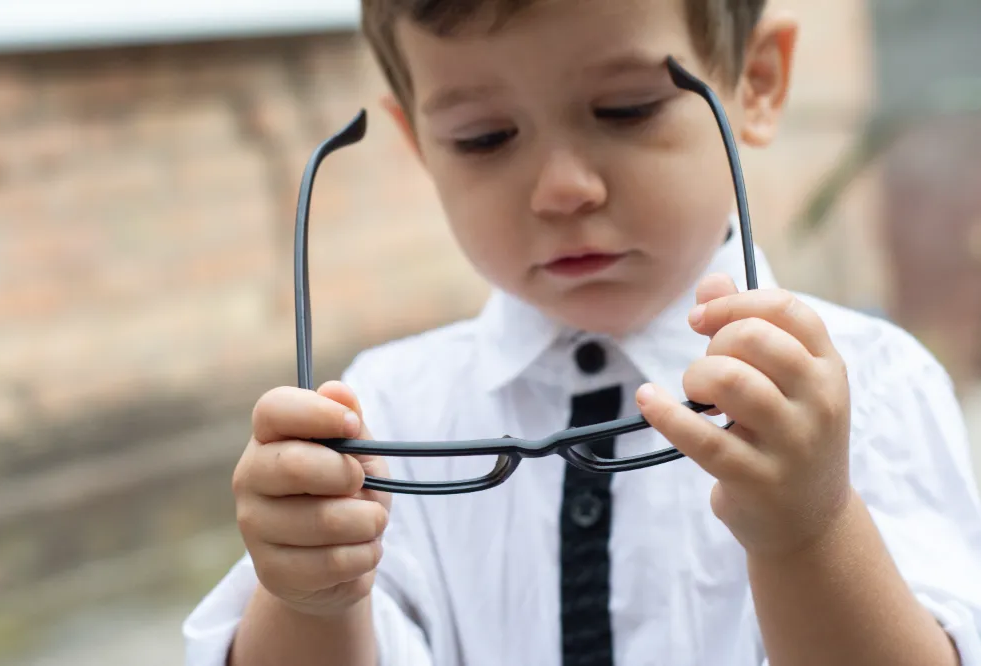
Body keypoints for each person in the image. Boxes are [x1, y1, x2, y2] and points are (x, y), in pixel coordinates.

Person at [183, 1, 981, 664]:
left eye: (625, 110)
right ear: (419, 142)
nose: (562, 188)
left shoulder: (871, 384)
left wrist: (815, 529)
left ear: (757, 82)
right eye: (483, 138)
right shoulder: (381, 415)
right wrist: (305, 597)